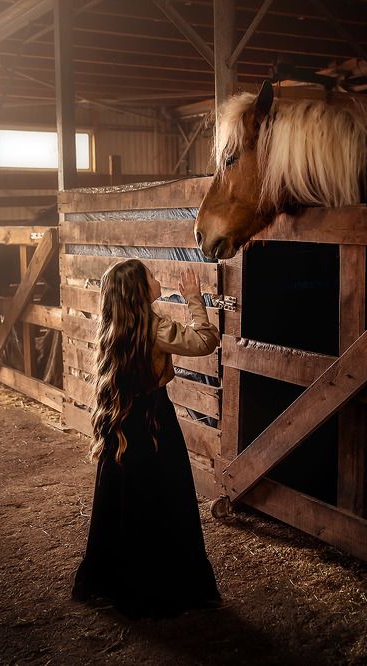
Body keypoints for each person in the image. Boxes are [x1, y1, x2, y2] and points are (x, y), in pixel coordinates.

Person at [71, 259, 221, 616]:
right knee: (164, 496)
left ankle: (114, 580)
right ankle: (162, 586)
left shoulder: (114, 328)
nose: (157, 280)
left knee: (122, 499)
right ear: (140, 291)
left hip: (120, 423)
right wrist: (193, 298)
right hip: (155, 424)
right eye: (151, 277)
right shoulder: (155, 328)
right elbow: (205, 341)